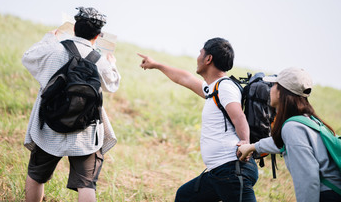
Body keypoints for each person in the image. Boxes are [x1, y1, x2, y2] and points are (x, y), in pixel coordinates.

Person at [138, 37, 258, 202]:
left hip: (232, 170)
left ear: (208, 59)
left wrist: (245, 141)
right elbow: (185, 78)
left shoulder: (225, 87)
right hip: (219, 172)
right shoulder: (213, 88)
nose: (197, 57)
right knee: (185, 197)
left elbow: (238, 116)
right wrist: (156, 65)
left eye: (200, 53)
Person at [22, 7, 121, 202]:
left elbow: (28, 57)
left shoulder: (54, 48)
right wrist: (112, 63)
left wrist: (48, 39)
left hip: (49, 127)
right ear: (98, 36)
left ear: (74, 27)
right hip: (85, 132)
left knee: (36, 176)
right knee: (86, 185)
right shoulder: (99, 60)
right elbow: (112, 84)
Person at [238, 67, 341, 202]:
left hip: (328, 195)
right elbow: (285, 142)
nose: (270, 89)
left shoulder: (292, 128)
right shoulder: (308, 120)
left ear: (281, 93)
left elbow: (308, 179)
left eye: (274, 85)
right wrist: (252, 147)